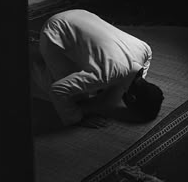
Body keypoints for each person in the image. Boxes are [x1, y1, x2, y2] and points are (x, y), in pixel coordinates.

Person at [32, 9, 164, 127]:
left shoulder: (144, 49)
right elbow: (57, 90)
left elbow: (144, 63)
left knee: (95, 83)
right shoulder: (106, 74)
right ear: (131, 98)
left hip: (81, 14)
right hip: (55, 30)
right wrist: (78, 117)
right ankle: (32, 54)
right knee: (75, 98)